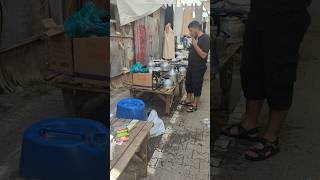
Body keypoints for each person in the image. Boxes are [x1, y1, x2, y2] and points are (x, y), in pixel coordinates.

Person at [222, 0, 312, 161]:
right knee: (252, 68)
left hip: (287, 14)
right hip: (260, 11)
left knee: (279, 73)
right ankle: (250, 125)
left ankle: (271, 137)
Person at [180, 21, 210, 112]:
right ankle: (188, 99)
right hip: (191, 65)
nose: (190, 33)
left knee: (197, 84)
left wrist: (195, 44)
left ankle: (195, 104)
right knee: (188, 82)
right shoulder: (195, 38)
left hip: (199, 67)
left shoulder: (205, 38)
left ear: (197, 29)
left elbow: (204, 55)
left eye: (191, 30)